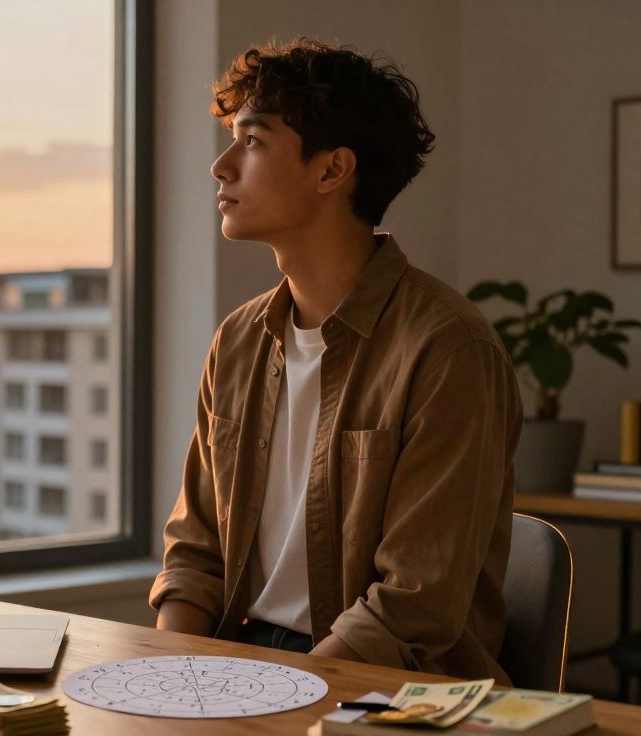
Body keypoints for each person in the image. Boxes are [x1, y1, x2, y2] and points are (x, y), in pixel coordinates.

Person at [150, 38, 523, 682]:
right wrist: (175, 675)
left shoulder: (447, 350)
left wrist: (277, 694)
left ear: (331, 171)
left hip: (386, 690)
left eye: (254, 140)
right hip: (241, 668)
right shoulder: (238, 342)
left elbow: (410, 606)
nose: (221, 166)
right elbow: (195, 556)